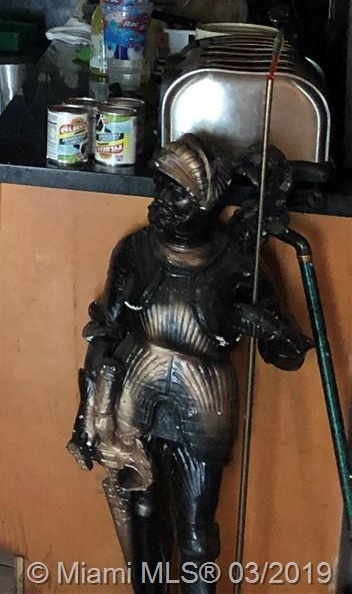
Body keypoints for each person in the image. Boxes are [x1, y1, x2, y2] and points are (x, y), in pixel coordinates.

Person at [67, 136, 309, 594]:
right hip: (137, 387)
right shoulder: (136, 251)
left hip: (204, 400)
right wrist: (87, 418)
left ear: (206, 201)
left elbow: (288, 355)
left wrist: (268, 326)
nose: (161, 201)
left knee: (197, 531)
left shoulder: (237, 263)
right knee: (142, 512)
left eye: (176, 193)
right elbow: (106, 331)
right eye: (160, 187)